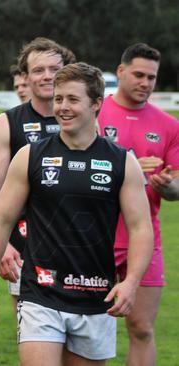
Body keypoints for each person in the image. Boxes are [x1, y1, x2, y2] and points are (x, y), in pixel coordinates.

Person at [0, 62, 154, 366]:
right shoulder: (30, 156)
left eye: (72, 99)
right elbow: (0, 222)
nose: (62, 107)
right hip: (40, 293)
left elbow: (140, 228)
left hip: (96, 296)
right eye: (59, 99)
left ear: (96, 104)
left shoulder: (122, 162)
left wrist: (131, 281)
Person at [97, 43, 179, 366]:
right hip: (95, 235)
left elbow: (176, 190)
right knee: (88, 327)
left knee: (142, 327)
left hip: (142, 237)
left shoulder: (169, 125)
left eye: (152, 77)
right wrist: (129, 167)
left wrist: (168, 184)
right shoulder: (95, 112)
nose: (146, 83)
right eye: (139, 75)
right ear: (121, 72)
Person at [0, 37, 75, 309]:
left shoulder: (85, 118)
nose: (47, 76)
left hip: (77, 243)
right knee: (33, 334)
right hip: (25, 244)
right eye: (38, 70)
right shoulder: (8, 122)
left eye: (54, 69)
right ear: (25, 76)